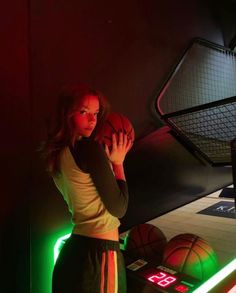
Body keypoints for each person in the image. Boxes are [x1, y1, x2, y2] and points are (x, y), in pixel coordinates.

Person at [41, 84, 132, 293]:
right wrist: (118, 163)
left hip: (76, 253)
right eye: (84, 112)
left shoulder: (58, 154)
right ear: (68, 114)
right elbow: (119, 208)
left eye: (96, 113)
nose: (92, 120)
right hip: (99, 256)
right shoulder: (89, 148)